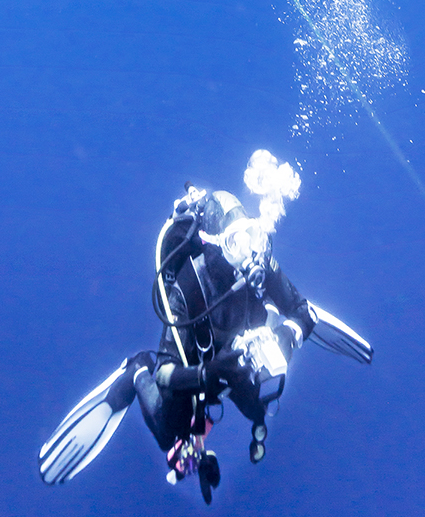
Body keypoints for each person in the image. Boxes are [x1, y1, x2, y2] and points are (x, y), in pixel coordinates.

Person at [38, 179, 372, 503]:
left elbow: (302, 311)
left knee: (258, 409)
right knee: (168, 431)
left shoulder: (261, 261)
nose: (248, 252)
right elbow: (166, 373)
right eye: (235, 242)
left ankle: (266, 324)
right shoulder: (188, 287)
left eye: (253, 235)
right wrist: (207, 373)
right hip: (200, 367)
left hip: (237, 358)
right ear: (213, 243)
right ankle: (135, 371)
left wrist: (288, 334)